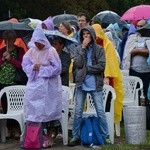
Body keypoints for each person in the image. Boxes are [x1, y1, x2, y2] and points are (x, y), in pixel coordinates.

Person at [68, 25, 111, 146]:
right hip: (81, 84)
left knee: (100, 111)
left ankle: (105, 135)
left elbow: (101, 66)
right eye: (83, 35)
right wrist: (83, 48)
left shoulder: (99, 49)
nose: (86, 37)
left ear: (92, 36)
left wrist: (86, 69)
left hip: (95, 84)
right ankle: (75, 136)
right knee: (78, 111)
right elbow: (78, 63)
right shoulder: (77, 48)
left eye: (88, 34)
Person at [22, 28, 62, 147]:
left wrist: (43, 69)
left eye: (39, 42)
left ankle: (49, 137)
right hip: (35, 84)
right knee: (34, 111)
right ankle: (34, 137)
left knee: (49, 111)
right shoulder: (31, 51)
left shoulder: (51, 51)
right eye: (36, 42)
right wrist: (33, 67)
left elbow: (57, 68)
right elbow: (25, 64)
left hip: (49, 85)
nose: (37, 45)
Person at [92, 24, 124, 125]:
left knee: (107, 102)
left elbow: (111, 62)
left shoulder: (107, 44)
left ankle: (107, 124)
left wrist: (106, 76)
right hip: (93, 76)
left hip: (106, 78)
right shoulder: (90, 44)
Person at [0, 30, 25, 138]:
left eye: (9, 38)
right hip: (2, 81)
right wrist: (2, 60)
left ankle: (17, 129)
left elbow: (21, 65)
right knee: (5, 106)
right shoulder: (1, 50)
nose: (7, 41)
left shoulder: (19, 50)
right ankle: (10, 128)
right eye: (5, 39)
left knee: (15, 105)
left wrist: (10, 59)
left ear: (14, 39)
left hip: (15, 81)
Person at [123, 19, 150, 104]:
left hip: (147, 71)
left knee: (145, 93)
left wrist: (137, 51)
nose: (138, 28)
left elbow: (148, 51)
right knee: (135, 93)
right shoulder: (132, 38)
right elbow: (128, 52)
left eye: (141, 26)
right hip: (134, 70)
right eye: (137, 26)